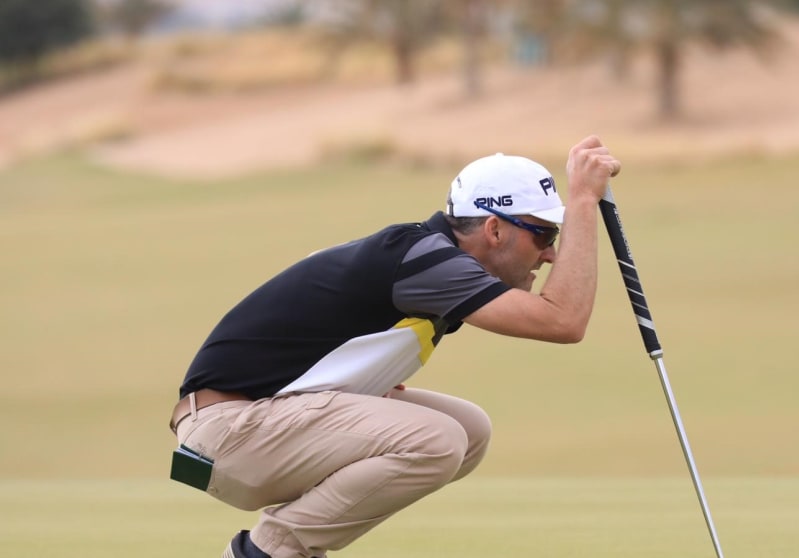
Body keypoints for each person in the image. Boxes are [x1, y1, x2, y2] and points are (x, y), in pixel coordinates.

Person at [168, 135, 621, 558]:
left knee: (468, 429)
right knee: (437, 440)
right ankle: (269, 551)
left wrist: (355, 383)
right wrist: (582, 200)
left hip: (250, 424)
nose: (550, 255)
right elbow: (562, 320)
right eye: (543, 235)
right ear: (495, 230)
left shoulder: (423, 256)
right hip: (227, 433)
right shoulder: (428, 259)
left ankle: (289, 547)